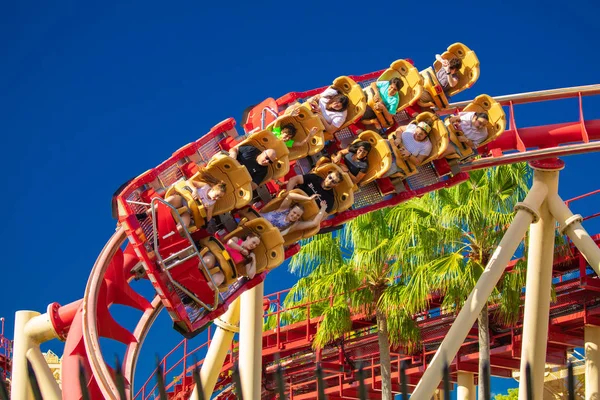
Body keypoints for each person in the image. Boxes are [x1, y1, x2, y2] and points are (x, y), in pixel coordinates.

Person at [138, 170, 227, 230]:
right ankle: (144, 214)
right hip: (183, 199)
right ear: (212, 189)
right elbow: (189, 181)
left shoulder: (212, 202)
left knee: (184, 226)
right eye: (217, 195)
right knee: (170, 200)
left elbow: (209, 217)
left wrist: (206, 209)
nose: (216, 198)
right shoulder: (204, 186)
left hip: (189, 211)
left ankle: (166, 236)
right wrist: (194, 189)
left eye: (219, 197)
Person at [260, 192, 329, 235]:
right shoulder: (283, 209)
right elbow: (290, 196)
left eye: (298, 215)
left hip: (263, 234)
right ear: (290, 210)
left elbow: (314, 223)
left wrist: (323, 209)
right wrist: (308, 198)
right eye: (294, 212)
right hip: (258, 220)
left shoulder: (295, 225)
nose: (295, 215)